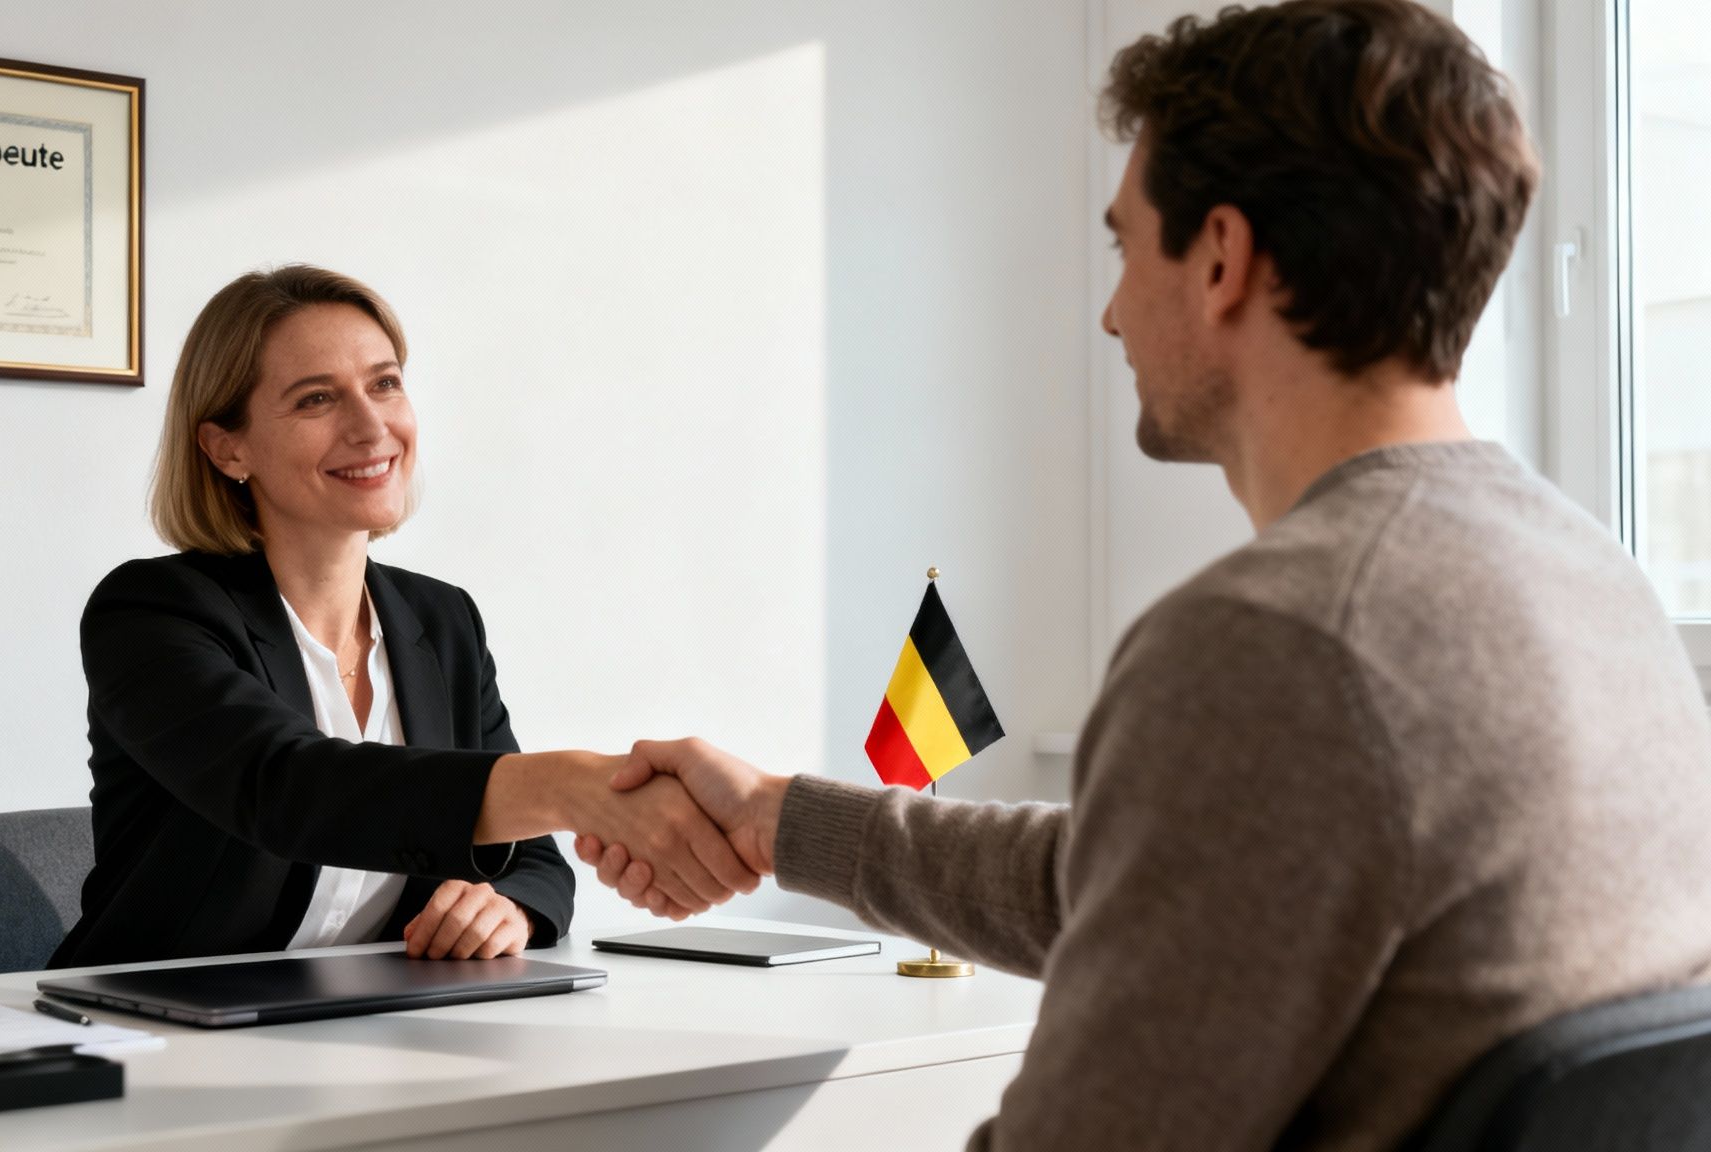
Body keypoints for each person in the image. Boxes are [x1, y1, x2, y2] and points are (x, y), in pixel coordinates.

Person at [577, 2, 1711, 1148]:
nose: (1113, 313)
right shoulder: (1591, 581)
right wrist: (780, 820)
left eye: (1124, 246)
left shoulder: (1279, 640)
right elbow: (1157, 882)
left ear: (1219, 257)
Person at [51, 266, 756, 970]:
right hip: (151, 1031)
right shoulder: (149, 614)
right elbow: (291, 790)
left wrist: (507, 905)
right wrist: (574, 785)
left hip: (366, 1023)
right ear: (227, 447)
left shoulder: (440, 619)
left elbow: (534, 861)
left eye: (385, 384)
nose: (371, 426)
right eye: (316, 399)